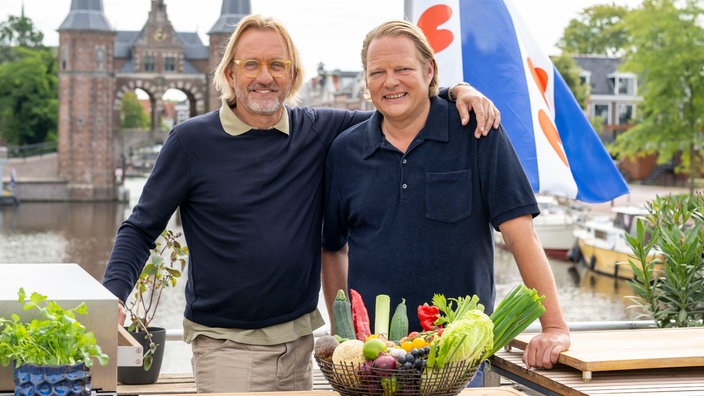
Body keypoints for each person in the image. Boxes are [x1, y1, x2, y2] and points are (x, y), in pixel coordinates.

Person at [101, 14, 501, 393]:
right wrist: (114, 296)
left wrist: (453, 90)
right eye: (251, 64)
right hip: (226, 347)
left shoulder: (318, 130)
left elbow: (395, 101)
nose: (264, 76)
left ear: (292, 76)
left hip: (298, 345)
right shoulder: (191, 142)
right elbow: (141, 228)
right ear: (229, 73)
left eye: (277, 64)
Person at [320, 19, 571, 386]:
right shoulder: (345, 151)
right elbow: (333, 249)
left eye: (403, 69)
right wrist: (346, 336)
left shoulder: (478, 131)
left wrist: (554, 326)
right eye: (378, 72)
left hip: (459, 359)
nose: (390, 82)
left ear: (429, 70)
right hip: (376, 359)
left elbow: (522, 236)